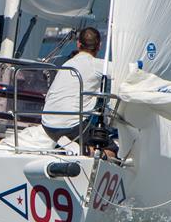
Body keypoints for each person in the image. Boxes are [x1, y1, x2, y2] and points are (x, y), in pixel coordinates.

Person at [42, 27, 116, 158]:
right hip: (71, 127)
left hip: (47, 125)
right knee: (113, 150)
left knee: (87, 125)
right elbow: (124, 72)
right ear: (99, 46)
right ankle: (86, 151)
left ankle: (67, 145)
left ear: (78, 44)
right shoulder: (97, 65)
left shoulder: (67, 64)